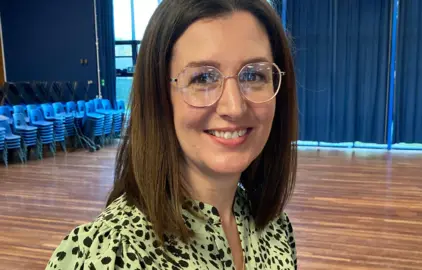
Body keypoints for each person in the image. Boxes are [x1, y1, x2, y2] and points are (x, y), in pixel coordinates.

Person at [45, 0, 298, 269]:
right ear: (160, 97)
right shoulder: (109, 255)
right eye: (202, 78)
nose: (234, 107)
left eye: (253, 76)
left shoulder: (275, 230)